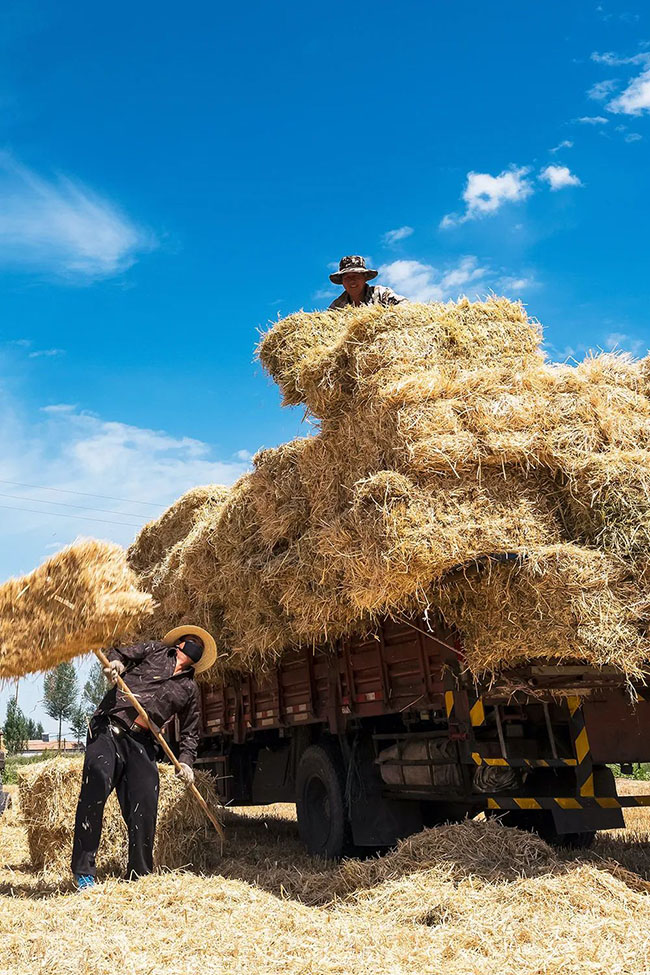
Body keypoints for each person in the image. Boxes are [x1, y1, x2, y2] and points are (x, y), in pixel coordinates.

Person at [71, 624, 217, 890]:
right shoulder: (156, 650)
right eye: (190, 640)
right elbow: (122, 654)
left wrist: (186, 761)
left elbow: (190, 731)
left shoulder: (189, 689)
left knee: (146, 803)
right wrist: (114, 664)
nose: (192, 645)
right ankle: (83, 872)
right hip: (109, 726)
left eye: (198, 644)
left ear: (198, 657)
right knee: (96, 784)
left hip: (142, 740)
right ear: (180, 643)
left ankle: (139, 875)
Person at [328, 255, 408, 310]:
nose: (352, 280)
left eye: (356, 276)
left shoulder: (381, 293)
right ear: (342, 281)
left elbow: (405, 305)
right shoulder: (337, 307)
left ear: (365, 278)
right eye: (347, 277)